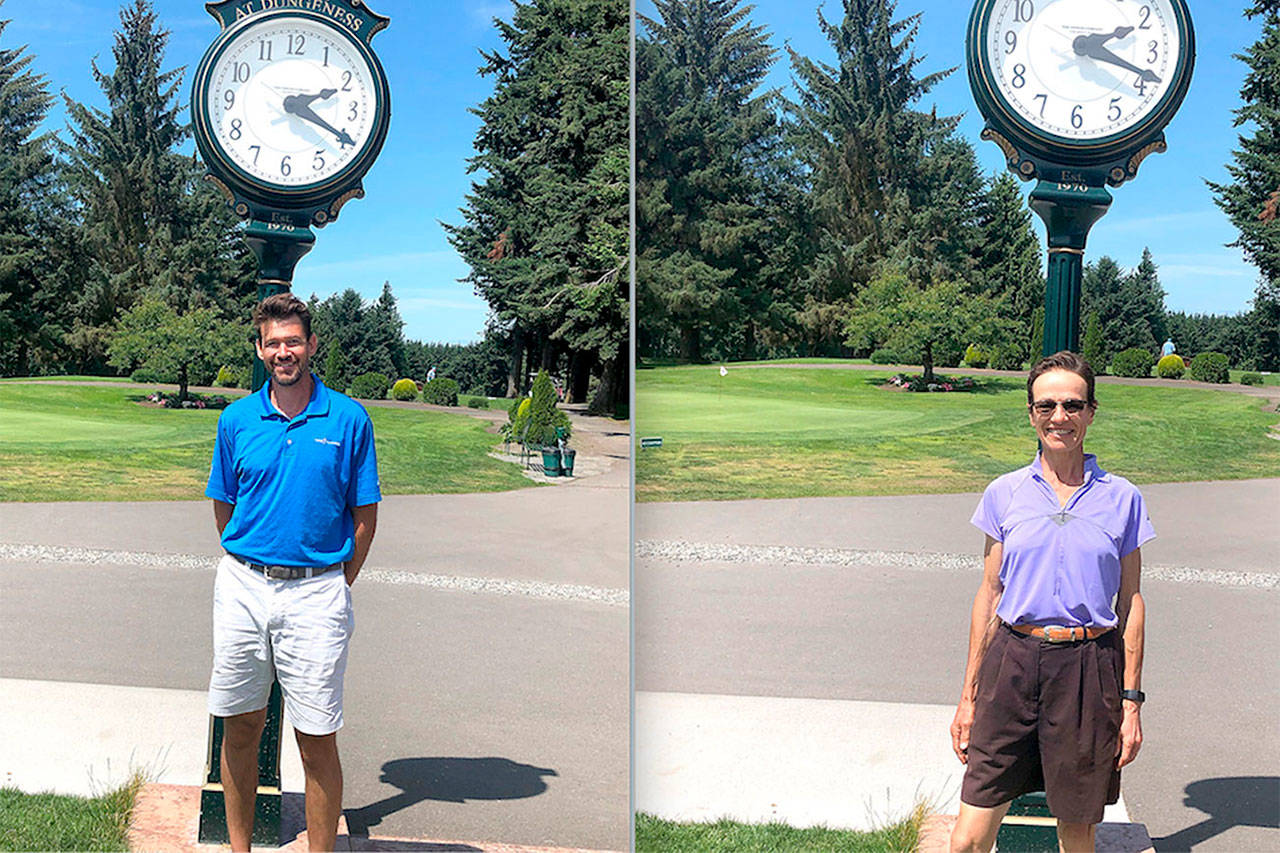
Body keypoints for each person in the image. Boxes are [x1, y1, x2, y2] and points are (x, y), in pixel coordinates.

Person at [948, 351, 1153, 853]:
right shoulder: (1005, 493)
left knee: (1077, 834)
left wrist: (1131, 703)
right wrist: (969, 694)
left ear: (1090, 411)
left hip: (1088, 668)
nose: (1059, 417)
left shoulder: (1123, 498)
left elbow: (1130, 603)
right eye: (1046, 406)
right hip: (1012, 663)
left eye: (1072, 405)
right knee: (969, 836)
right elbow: (990, 594)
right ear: (1031, 412)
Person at [206, 293, 381, 852]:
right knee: (240, 727)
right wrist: (253, 563)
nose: (284, 352)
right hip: (242, 586)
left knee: (316, 738)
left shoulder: (349, 419)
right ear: (260, 350)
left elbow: (365, 515)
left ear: (310, 345)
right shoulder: (236, 419)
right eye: (273, 342)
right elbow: (223, 505)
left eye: (294, 341)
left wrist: (333, 582)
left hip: (317, 593)